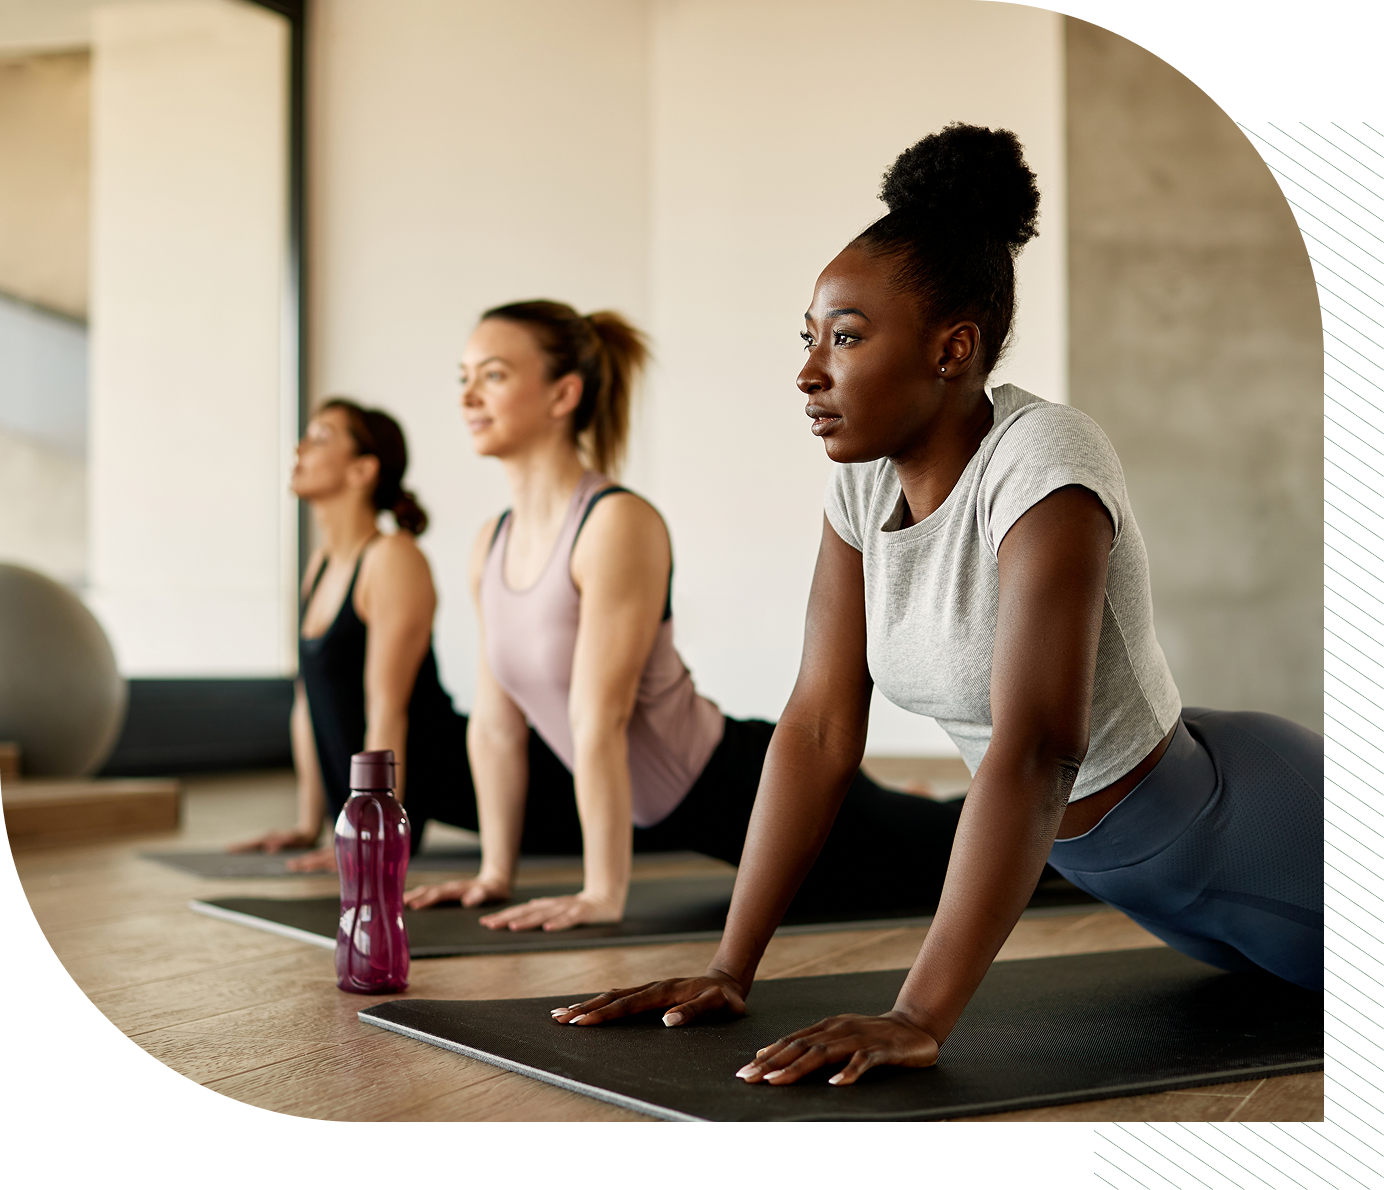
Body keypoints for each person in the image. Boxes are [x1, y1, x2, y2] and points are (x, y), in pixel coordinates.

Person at [548, 124, 1324, 1085]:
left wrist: (917, 1013)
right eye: (808, 338)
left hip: (1256, 836)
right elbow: (821, 724)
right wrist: (727, 965)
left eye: (846, 337)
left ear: (953, 349)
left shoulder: (1045, 461)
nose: (808, 372)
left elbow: (1040, 747)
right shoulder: (863, 490)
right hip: (1158, 891)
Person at [402, 300, 970, 930]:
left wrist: (601, 893)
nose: (469, 396)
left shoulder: (613, 523)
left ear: (564, 393)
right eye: (464, 376)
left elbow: (599, 718)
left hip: (744, 787)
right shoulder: (492, 542)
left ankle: (1063, 818)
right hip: (683, 815)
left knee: (967, 855)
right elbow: (495, 725)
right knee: (940, 840)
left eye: (495, 375)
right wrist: (493, 874)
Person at [231, 398, 578, 871]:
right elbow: (308, 703)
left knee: (643, 821)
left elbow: (386, 710)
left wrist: (375, 835)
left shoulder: (393, 559)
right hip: (413, 791)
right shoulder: (320, 566)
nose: (300, 448)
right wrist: (307, 823)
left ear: (362, 470)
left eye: (321, 437)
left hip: (488, 782)